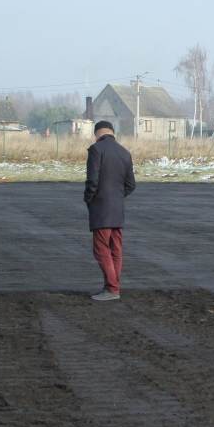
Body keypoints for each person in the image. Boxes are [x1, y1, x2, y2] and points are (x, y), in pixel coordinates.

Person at [83, 120, 135, 300]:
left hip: (101, 209)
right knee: (116, 250)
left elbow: (92, 181)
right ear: (113, 134)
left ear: (96, 135)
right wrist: (117, 197)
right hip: (117, 209)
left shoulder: (96, 150)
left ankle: (111, 289)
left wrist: (90, 199)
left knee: (101, 249)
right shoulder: (125, 152)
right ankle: (114, 287)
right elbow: (131, 185)